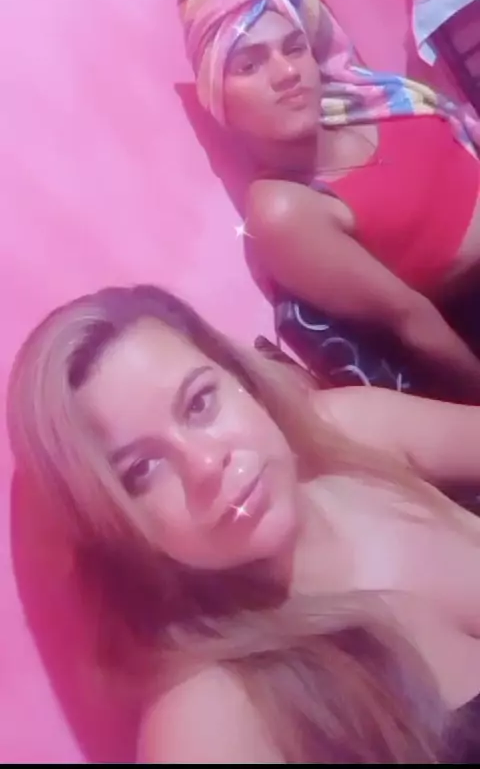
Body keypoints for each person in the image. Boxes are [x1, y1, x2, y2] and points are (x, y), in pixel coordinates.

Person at [8, 283, 480, 763]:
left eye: (199, 403)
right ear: (116, 531)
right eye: (142, 471)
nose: (205, 465)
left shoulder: (350, 437)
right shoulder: (209, 717)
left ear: (239, 378)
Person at [178, 0, 480, 401]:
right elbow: (413, 323)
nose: (286, 73)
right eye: (249, 65)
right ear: (218, 96)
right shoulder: (284, 206)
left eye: (293, 48)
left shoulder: (367, 101)